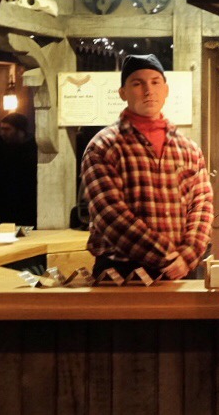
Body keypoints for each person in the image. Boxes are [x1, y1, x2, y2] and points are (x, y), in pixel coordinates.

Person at [79, 54, 212, 281]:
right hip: (121, 272)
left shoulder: (188, 148)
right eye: (137, 83)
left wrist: (188, 254)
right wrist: (167, 256)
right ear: (123, 93)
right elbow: (109, 214)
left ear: (166, 90)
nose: (149, 91)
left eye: (155, 82)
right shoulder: (103, 146)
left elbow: (202, 204)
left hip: (181, 271)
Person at [0, 112, 39, 227]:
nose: (3, 133)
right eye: (2, 129)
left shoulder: (32, 151)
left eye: (7, 129)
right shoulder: (4, 149)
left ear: (21, 131)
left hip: (27, 203)